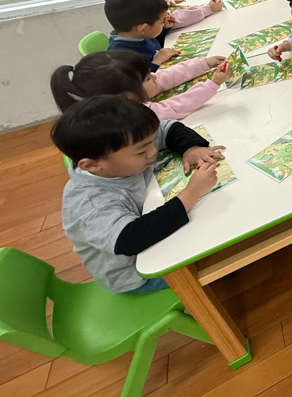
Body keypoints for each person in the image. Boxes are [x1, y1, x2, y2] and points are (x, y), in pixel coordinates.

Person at [51, 96, 224, 293]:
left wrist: (190, 148)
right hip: (136, 274)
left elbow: (168, 129)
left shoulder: (127, 146)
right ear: (92, 165)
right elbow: (131, 239)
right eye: (141, 152)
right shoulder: (90, 204)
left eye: (151, 142)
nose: (152, 151)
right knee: (218, 248)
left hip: (152, 228)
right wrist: (191, 193)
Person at [51, 50, 232, 120]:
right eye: (147, 79)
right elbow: (176, 107)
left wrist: (203, 64)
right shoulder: (130, 115)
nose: (154, 77)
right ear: (126, 96)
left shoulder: (124, 94)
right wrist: (213, 83)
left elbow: (164, 77)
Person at [105, 0, 178, 71]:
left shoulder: (137, 34)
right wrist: (156, 62)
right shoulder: (121, 58)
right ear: (143, 28)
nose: (163, 22)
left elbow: (154, 40)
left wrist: (165, 28)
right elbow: (138, 78)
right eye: (162, 21)